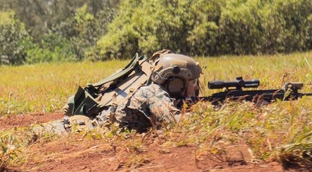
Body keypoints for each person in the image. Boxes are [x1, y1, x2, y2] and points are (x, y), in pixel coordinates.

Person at [34, 51, 202, 136]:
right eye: (192, 83)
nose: (195, 88)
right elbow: (177, 127)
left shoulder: (156, 93)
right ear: (175, 83)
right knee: (29, 135)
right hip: (73, 131)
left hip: (81, 128)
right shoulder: (153, 93)